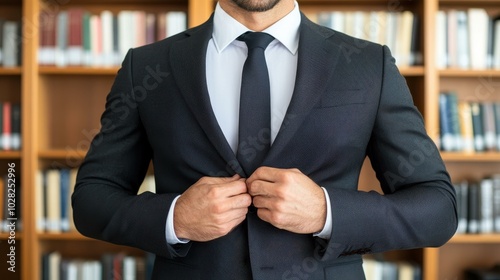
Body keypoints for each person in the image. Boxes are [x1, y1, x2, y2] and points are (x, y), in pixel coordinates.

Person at [72, 0, 458, 279]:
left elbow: (437, 208)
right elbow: (91, 199)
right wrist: (176, 218)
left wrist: (327, 212)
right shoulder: (148, 66)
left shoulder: (367, 65)